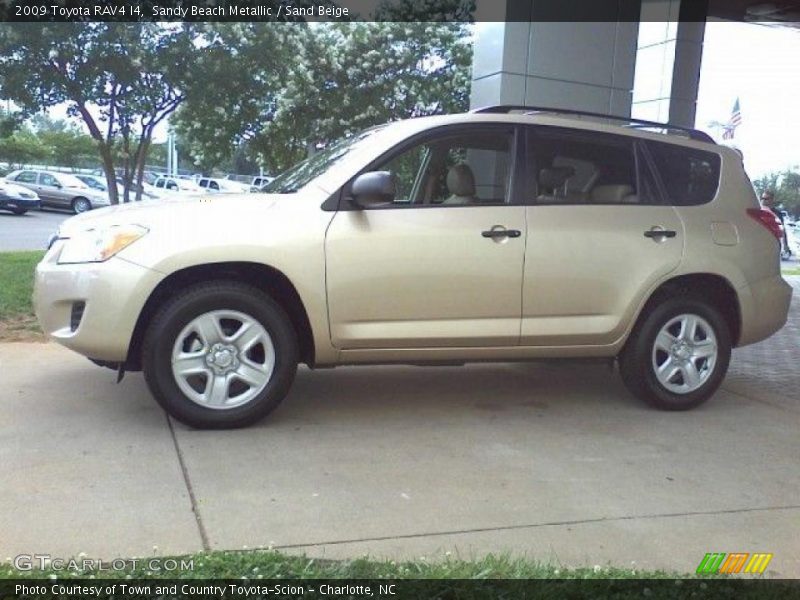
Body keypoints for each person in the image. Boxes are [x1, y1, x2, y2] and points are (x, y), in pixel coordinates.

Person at [762, 190, 792, 258]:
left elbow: (782, 229)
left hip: (774, 243)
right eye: (762, 198)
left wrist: (785, 245)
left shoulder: (777, 214)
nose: (764, 201)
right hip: (762, 243)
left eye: (766, 199)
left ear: (771, 200)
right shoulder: (760, 212)